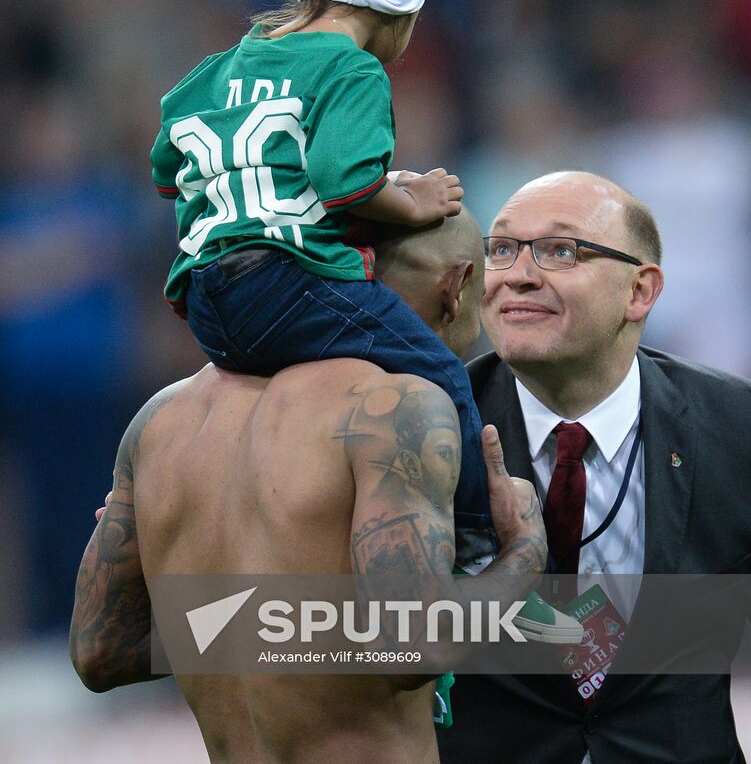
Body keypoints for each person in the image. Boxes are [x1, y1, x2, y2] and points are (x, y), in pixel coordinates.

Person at [69, 210, 548, 764]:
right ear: (456, 287)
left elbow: (101, 650)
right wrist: (523, 551)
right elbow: (418, 645)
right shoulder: (398, 409)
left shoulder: (161, 420)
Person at [150, 0, 494, 564]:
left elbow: (166, 170)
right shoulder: (351, 67)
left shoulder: (212, 70)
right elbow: (345, 184)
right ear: (400, 1)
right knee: (441, 379)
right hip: (287, 285)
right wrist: (414, 197)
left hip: (204, 302)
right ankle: (477, 546)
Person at [438, 170, 751, 764]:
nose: (519, 275)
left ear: (640, 291)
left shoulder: (735, 425)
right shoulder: (428, 429)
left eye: (562, 251)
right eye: (502, 248)